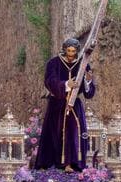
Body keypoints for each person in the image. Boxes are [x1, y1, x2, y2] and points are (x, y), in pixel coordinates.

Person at [35, 38, 95, 173]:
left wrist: (88, 81)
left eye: (73, 51)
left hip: (74, 105)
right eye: (68, 50)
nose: (71, 54)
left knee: (74, 131)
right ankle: (52, 162)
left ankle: (72, 163)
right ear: (64, 49)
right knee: (55, 132)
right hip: (57, 104)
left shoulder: (83, 65)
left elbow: (89, 93)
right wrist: (66, 85)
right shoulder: (53, 63)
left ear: (77, 51)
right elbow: (50, 81)